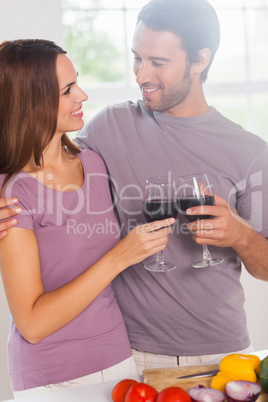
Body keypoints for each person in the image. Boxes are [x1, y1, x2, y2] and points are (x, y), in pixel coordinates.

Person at [1, 0, 268, 376]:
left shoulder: (250, 152)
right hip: (125, 355)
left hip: (220, 353)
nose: (141, 75)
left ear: (199, 60)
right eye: (136, 58)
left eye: (158, 62)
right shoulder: (109, 127)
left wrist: (240, 235)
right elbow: (35, 161)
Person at [0, 39, 174, 398]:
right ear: (29, 100)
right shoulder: (13, 193)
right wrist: (119, 257)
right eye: (66, 90)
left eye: (76, 81)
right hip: (52, 378)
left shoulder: (93, 162)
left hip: (118, 359)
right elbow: (32, 324)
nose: (82, 95)